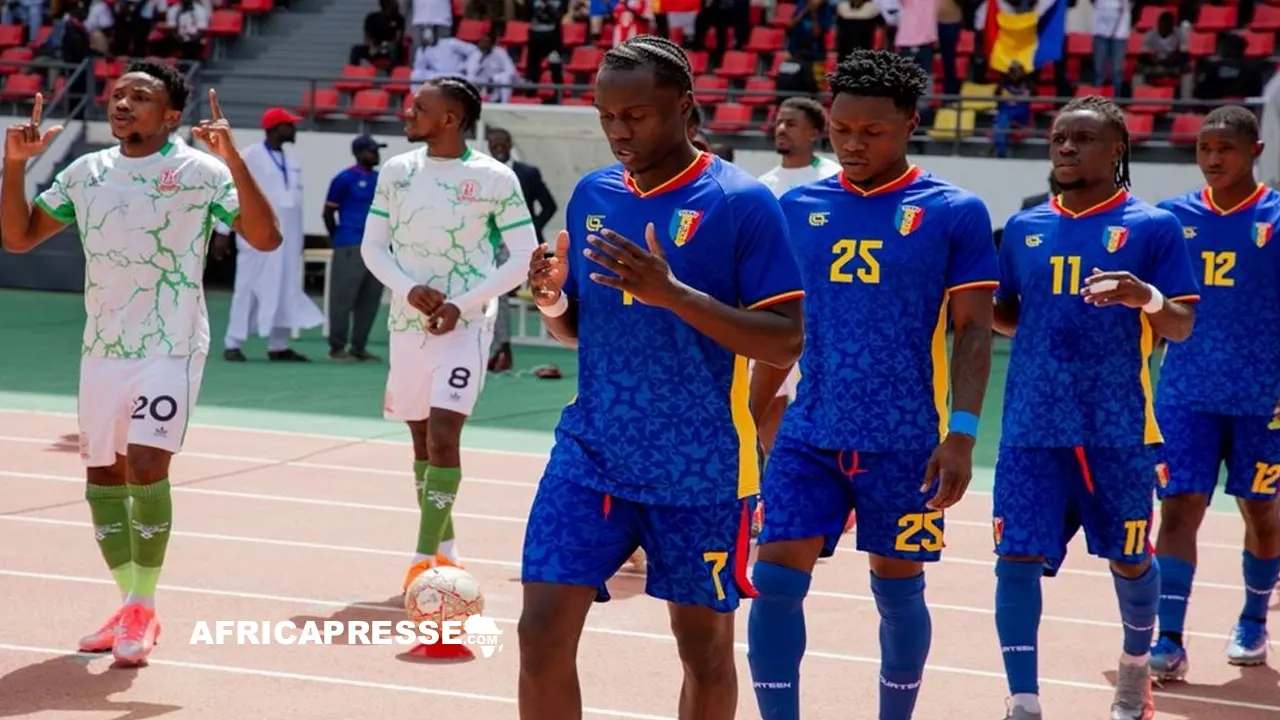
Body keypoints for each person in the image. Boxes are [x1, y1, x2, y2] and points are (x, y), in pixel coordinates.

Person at [518, 35, 804, 719]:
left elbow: (786, 340)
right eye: (606, 117)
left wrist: (673, 294)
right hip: (592, 453)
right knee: (540, 632)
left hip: (701, 468)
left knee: (704, 652)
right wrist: (552, 301)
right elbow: (584, 328)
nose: (619, 131)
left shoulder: (739, 202)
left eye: (636, 115)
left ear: (683, 105)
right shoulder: (593, 195)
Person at [0, 64, 280, 665]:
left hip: (171, 344)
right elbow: (19, 239)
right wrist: (15, 164)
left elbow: (265, 238)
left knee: (147, 465)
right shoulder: (86, 172)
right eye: (118, 93)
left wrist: (233, 158)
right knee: (104, 475)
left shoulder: (202, 172)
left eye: (141, 96)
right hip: (103, 347)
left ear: (172, 116)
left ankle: (143, 605)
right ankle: (130, 602)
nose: (122, 103)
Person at [748, 49, 997, 720]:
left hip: (908, 441)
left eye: (872, 131)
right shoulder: (797, 207)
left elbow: (974, 330)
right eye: (841, 129)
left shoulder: (954, 211)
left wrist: (962, 435)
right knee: (773, 582)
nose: (852, 144)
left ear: (911, 123)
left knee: (897, 588)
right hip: (809, 432)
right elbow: (782, 328)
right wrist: (745, 420)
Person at [991, 95, 1200, 720]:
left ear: (1116, 151)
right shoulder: (1024, 227)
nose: (1065, 147)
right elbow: (1009, 314)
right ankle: (1023, 699)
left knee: (1130, 559)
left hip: (1118, 429)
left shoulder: (1153, 227)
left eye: (1082, 139)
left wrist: (1147, 297)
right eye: (1059, 137)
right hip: (1030, 427)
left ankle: (1135, 672)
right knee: (1015, 559)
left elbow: (1182, 325)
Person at [360, 76, 537, 607]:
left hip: (465, 328)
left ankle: (421, 559)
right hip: (406, 325)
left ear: (451, 119)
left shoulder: (494, 177)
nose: (407, 113)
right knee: (420, 439)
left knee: (443, 433)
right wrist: (408, 289)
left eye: (420, 108)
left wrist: (464, 303)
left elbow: (524, 255)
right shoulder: (397, 171)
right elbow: (373, 247)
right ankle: (447, 551)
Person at [1148, 106, 1280, 679]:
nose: (1212, 158)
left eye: (1225, 148)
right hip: (1186, 394)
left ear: (1255, 150)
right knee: (1179, 508)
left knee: (1261, 510)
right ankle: (1169, 637)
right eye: (1204, 148)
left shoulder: (1275, 218)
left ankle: (1253, 620)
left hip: (1264, 399)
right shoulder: (1172, 217)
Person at [751, 95, 841, 456]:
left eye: (791, 123)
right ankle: (770, 481)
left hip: (822, 313)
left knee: (821, 402)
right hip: (774, 310)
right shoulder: (762, 185)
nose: (781, 128)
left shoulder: (834, 178)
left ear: (815, 132)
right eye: (779, 122)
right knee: (767, 404)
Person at [219, 107, 324, 362]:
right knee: (247, 287)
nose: (294, 129)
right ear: (276, 128)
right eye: (289, 125)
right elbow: (232, 191)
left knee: (285, 286)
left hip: (288, 239)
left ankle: (279, 344)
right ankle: (233, 342)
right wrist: (222, 231)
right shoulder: (250, 156)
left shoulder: (292, 158)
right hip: (256, 237)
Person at [485, 127, 558, 372]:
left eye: (502, 144)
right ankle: (500, 347)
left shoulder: (527, 173)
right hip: (490, 243)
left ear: (510, 144)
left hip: (520, 245)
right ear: (488, 146)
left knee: (505, 292)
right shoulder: (481, 173)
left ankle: (504, 348)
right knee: (493, 293)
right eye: (494, 145)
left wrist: (530, 229)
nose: (499, 149)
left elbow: (549, 205)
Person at [323, 134, 387, 363]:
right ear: (359, 153)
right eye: (371, 150)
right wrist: (338, 238)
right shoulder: (344, 178)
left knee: (370, 299)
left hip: (377, 246)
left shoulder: (381, 180)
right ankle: (337, 347)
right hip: (351, 243)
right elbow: (328, 212)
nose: (376, 154)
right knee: (343, 297)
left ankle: (359, 346)